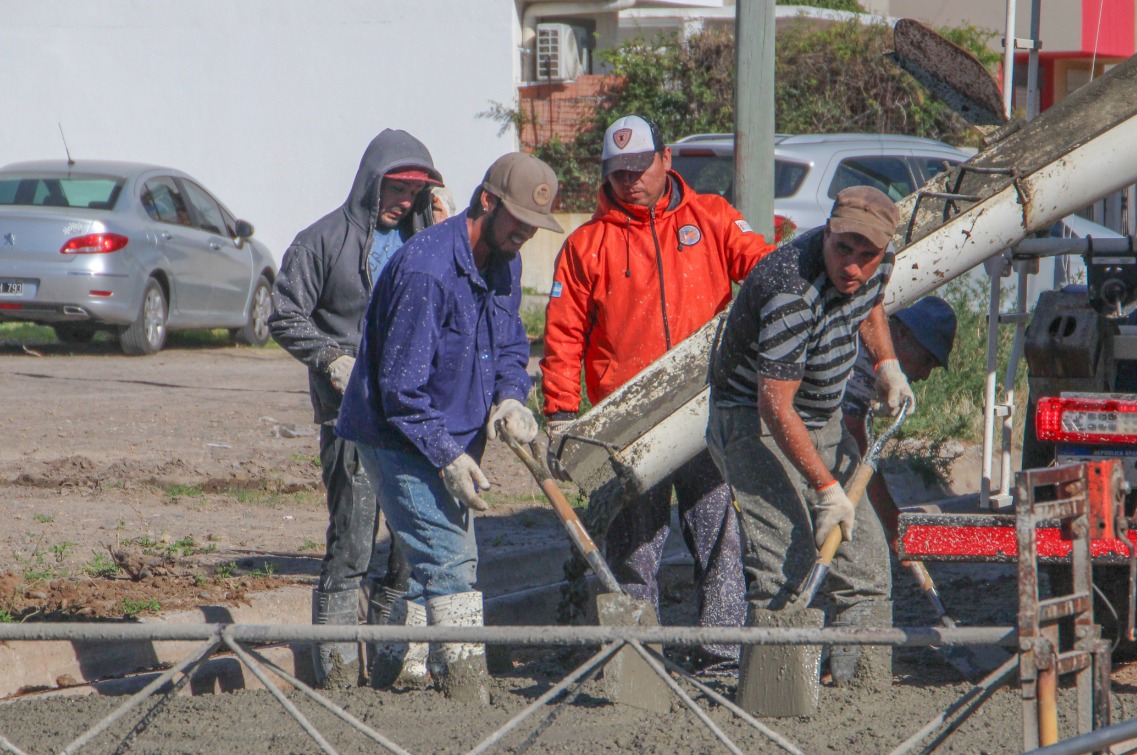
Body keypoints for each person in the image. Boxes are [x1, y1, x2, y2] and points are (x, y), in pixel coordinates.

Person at [540, 114, 773, 673]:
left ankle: (719, 655)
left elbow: (762, 269)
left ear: (666, 159)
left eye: (640, 168)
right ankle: (637, 661)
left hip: (705, 412)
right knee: (632, 549)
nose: (630, 181)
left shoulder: (712, 218)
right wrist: (560, 411)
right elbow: (564, 333)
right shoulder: (586, 246)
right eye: (618, 172)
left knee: (720, 536)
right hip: (628, 430)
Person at [336, 152, 561, 693]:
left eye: (536, 228)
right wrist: (448, 454)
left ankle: (402, 671)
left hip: (447, 432)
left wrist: (512, 398)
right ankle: (465, 689)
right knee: (451, 559)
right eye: (520, 223)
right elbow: (400, 392)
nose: (526, 236)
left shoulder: (504, 262)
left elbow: (510, 346)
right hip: (397, 436)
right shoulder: (427, 271)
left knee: (425, 562)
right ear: (487, 201)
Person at [706, 185, 913, 690]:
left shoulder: (875, 266)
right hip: (752, 422)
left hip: (820, 416)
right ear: (828, 231)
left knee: (863, 565)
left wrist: (887, 365)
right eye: (844, 250)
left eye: (868, 256)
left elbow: (871, 302)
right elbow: (774, 405)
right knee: (785, 566)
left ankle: (859, 692)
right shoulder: (790, 288)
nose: (854, 268)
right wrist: (825, 490)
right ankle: (779, 695)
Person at [269, 128, 443, 689]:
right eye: (395, 188)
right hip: (350, 417)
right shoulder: (323, 241)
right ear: (372, 183)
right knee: (351, 546)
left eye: (414, 192)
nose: (403, 201)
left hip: (409, 419)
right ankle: (340, 678)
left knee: (404, 554)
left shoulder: (427, 243)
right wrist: (329, 358)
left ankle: (391, 671)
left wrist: (447, 229)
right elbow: (284, 314)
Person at [841, 295, 957, 550]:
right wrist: (894, 527)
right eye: (926, 360)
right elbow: (856, 447)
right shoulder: (862, 357)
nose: (925, 375)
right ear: (902, 333)